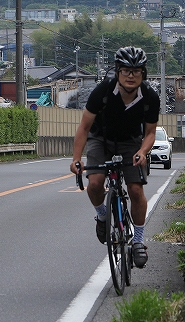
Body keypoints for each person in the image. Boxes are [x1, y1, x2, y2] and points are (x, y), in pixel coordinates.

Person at [70, 46, 160, 268]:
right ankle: (102, 216)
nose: (131, 75)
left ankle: (138, 241)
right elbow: (84, 127)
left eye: (136, 71)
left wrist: (142, 152)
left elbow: (150, 133)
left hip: (130, 142)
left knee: (136, 190)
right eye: (126, 70)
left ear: (143, 73)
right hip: (101, 139)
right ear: (117, 72)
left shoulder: (149, 97)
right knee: (95, 183)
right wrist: (76, 158)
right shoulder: (102, 92)